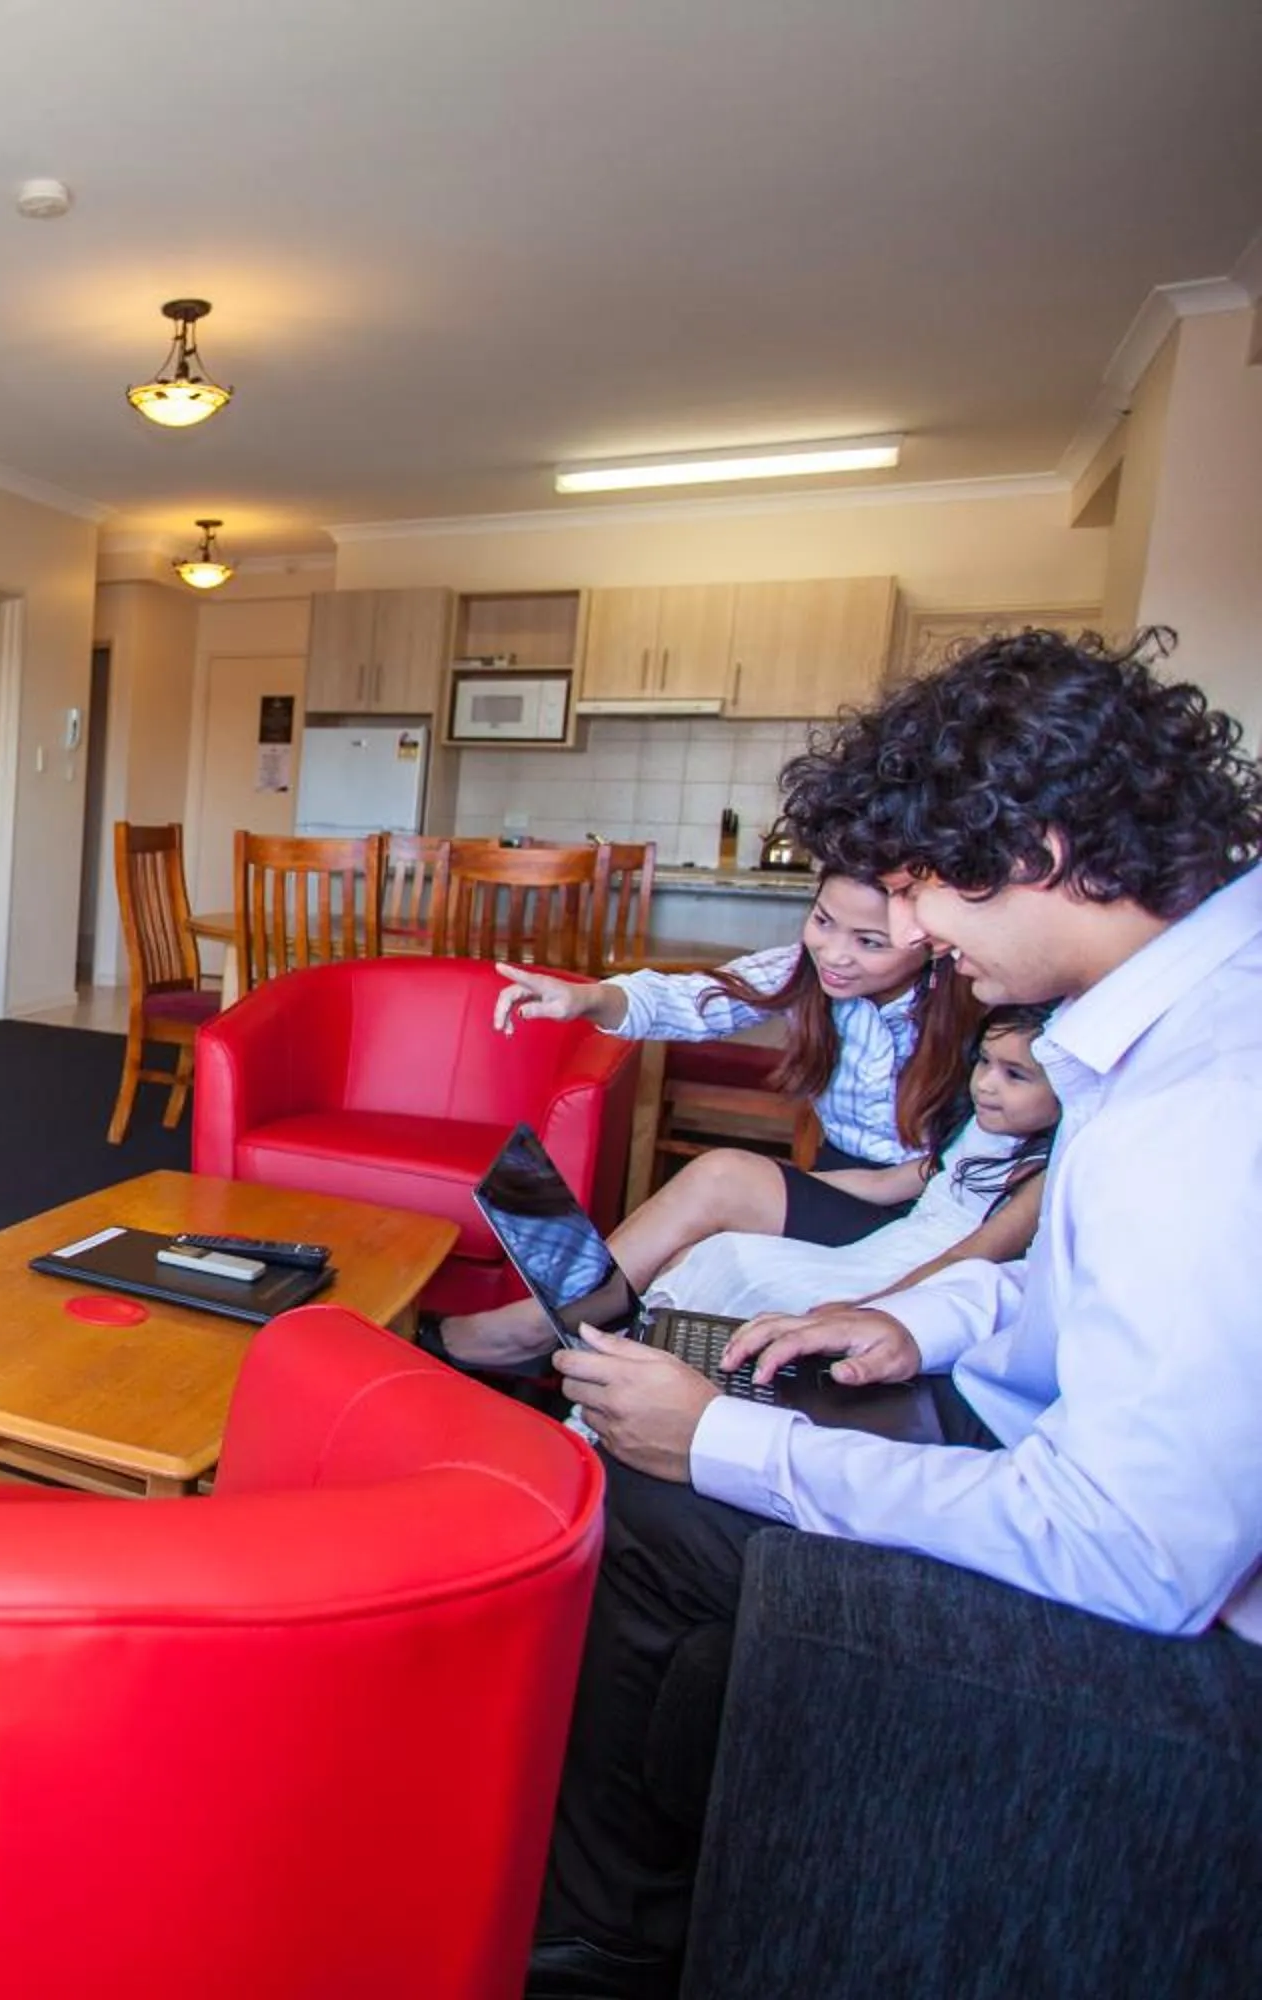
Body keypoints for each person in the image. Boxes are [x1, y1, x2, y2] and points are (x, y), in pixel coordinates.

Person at [527, 629, 1262, 1999]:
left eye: (925, 889)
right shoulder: (1179, 1016)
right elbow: (1074, 1276)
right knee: (668, 1473)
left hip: (1171, 1626)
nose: (913, 931)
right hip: (1049, 1440)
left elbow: (1141, 1555)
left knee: (659, 1489)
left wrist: (729, 1448)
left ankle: (593, 1953)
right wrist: (924, 1329)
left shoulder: (1213, 1099)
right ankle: (629, 1908)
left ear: (1038, 850)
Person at [440, 872, 982, 1365]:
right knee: (676, 1257)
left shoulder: (974, 1002)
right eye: (823, 921)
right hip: (845, 1183)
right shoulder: (804, 971)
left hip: (926, 1209)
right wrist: (588, 998)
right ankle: (591, 1362)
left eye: (869, 942)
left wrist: (814, 1185)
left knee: (720, 1181)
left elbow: (971, 1176)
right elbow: (698, 998)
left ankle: (538, 1330)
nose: (835, 954)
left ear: (929, 937)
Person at [650, 1003, 1056, 1318]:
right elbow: (885, 1184)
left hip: (914, 1280)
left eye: (1015, 1075)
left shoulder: (1044, 1172)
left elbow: (966, 1260)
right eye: (984, 1062)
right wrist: (777, 1183)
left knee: (736, 1273)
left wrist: (868, 1310)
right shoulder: (978, 1128)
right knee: (705, 1255)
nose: (985, 1084)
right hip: (880, 1247)